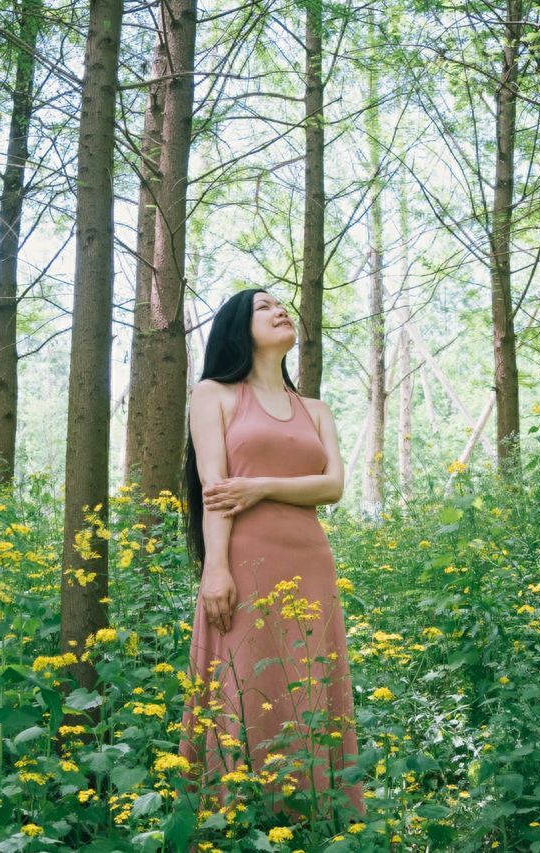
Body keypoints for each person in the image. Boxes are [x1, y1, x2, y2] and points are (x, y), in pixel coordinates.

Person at [177, 288, 365, 821]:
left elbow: (332, 486)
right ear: (239, 327)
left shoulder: (315, 409)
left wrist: (259, 485)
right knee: (243, 683)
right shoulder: (212, 394)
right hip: (243, 560)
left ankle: (314, 817)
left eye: (283, 304)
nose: (281, 309)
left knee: (308, 681)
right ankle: (234, 819)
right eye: (264, 306)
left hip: (309, 561)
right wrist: (214, 570)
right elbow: (216, 490)